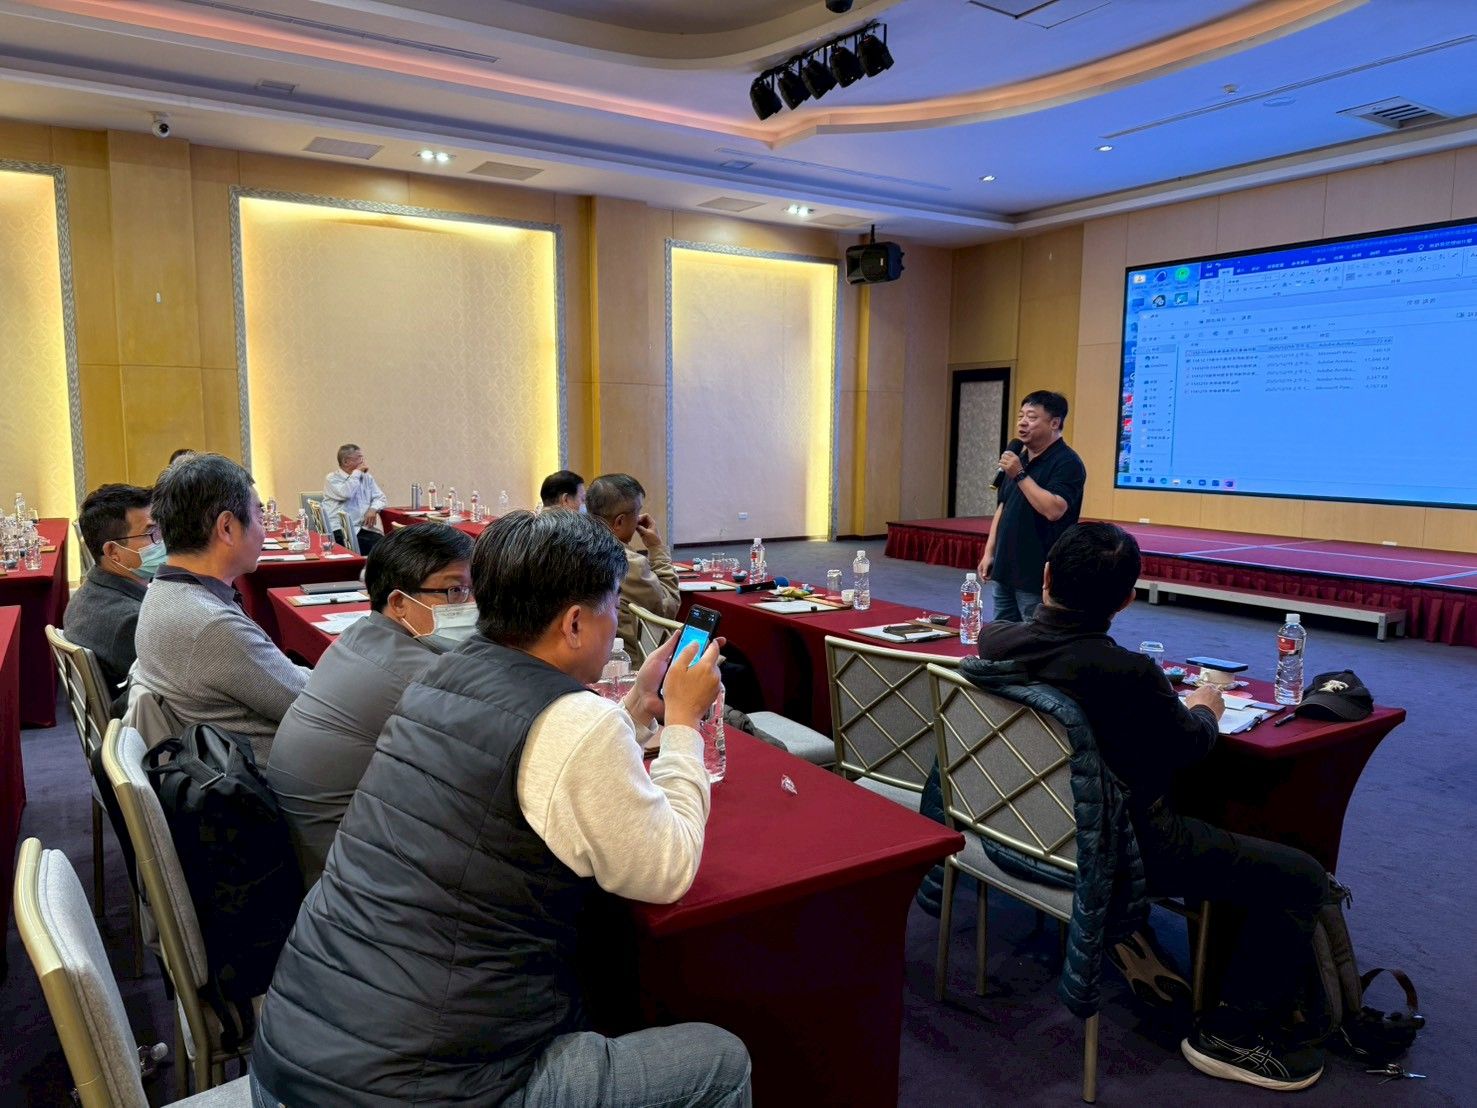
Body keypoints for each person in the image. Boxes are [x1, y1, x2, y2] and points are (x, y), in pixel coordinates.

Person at [250, 509, 752, 1107]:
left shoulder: (442, 674)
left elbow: (532, 760)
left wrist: (640, 704)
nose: (616, 622)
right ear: (573, 624)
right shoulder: (573, 722)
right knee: (720, 1062)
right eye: (613, 605)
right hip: (421, 1088)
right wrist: (684, 724)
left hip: (296, 1053)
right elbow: (667, 869)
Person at [978, 522, 1331, 1092]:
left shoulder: (995, 641)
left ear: (1045, 578)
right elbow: (1189, 747)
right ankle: (1231, 1034)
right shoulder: (1128, 674)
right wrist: (1206, 706)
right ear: (1126, 599)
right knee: (1302, 877)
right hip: (1128, 851)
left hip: (1022, 828)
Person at [265, 523, 474, 889]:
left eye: (474, 589)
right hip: (350, 872)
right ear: (399, 603)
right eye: (455, 591)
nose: (471, 605)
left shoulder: (359, 634)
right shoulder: (419, 675)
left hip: (314, 844)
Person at [133, 453, 309, 764]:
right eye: (258, 516)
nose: (264, 531)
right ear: (226, 527)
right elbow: (313, 705)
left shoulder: (164, 591)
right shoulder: (211, 626)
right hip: (278, 776)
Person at [977, 390, 1085, 622]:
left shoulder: (1067, 462)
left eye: (1032, 417)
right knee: (1003, 632)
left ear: (1054, 423)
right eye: (1021, 416)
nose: (1022, 422)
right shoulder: (1019, 458)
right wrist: (989, 552)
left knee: (1035, 633)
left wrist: (1019, 474)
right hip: (1005, 568)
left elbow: (1054, 510)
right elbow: (1002, 508)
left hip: (1036, 572)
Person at [64, 484, 161, 704]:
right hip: (143, 720)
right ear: (113, 552)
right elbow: (181, 688)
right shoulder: (130, 621)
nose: (163, 540)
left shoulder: (87, 593)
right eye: (152, 533)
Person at [587, 473, 679, 662]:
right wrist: (657, 548)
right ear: (619, 521)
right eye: (637, 512)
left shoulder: (576, 547)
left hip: (591, 654)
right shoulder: (627, 562)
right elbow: (667, 608)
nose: (639, 520)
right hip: (632, 660)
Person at [321, 442, 387, 556]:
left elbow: (381, 498)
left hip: (362, 528)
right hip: (339, 530)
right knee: (377, 548)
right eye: (359, 458)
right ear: (346, 462)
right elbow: (347, 493)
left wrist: (373, 509)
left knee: (387, 544)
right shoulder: (332, 478)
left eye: (362, 457)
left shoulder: (366, 478)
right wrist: (357, 472)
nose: (362, 461)